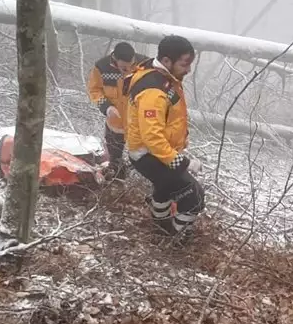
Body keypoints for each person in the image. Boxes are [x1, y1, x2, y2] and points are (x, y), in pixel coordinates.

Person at [125, 35, 205, 236]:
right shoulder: (154, 89)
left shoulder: (166, 78)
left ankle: (160, 228)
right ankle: (178, 241)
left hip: (157, 153)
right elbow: (152, 137)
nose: (188, 69)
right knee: (194, 198)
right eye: (184, 64)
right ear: (167, 61)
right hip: (148, 155)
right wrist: (182, 162)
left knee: (166, 189)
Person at [87, 42, 138, 178]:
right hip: (115, 123)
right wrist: (107, 107)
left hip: (138, 123)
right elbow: (94, 90)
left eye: (130, 66)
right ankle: (117, 177)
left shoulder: (144, 64)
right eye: (123, 68)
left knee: (140, 158)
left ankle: (135, 177)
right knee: (115, 157)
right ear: (114, 58)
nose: (127, 70)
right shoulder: (101, 67)